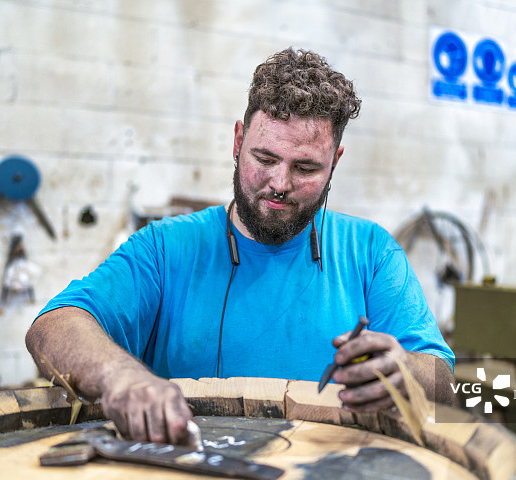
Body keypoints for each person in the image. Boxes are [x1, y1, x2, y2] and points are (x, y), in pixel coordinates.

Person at [26, 48, 456, 447]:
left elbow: (444, 378)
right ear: (237, 141)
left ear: (335, 162)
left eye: (305, 168)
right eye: (264, 159)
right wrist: (120, 376)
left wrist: (407, 373)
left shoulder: (371, 253)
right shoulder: (167, 249)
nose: (280, 184)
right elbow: (54, 325)